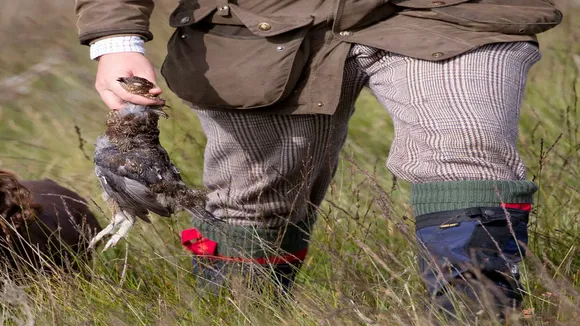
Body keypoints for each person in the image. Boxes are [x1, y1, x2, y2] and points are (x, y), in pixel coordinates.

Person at [74, 0, 563, 319]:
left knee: (469, 159)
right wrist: (116, 40)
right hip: (256, 27)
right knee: (254, 202)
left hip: (453, 15)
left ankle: (476, 315)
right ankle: (239, 314)